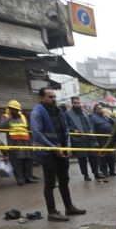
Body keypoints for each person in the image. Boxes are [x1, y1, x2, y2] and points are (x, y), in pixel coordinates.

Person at [30, 87, 86, 221]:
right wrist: (54, 148)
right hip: (48, 153)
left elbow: (66, 129)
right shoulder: (37, 112)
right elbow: (37, 134)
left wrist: (68, 146)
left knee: (64, 180)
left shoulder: (59, 111)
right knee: (50, 183)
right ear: (42, 98)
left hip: (62, 151)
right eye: (50, 97)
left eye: (54, 96)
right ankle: (52, 212)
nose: (53, 99)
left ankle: (69, 207)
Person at [0, 100, 37, 185]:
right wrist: (9, 118)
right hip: (14, 143)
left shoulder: (23, 117)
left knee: (28, 160)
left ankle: (29, 177)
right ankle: (20, 179)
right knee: (17, 162)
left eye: (15, 109)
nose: (14, 111)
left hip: (26, 142)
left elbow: (30, 129)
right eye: (12, 109)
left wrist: (33, 141)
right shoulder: (5, 117)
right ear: (9, 109)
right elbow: (1, 126)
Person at [65, 96, 102, 181]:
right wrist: (73, 130)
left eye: (78, 102)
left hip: (89, 138)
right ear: (72, 103)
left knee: (93, 157)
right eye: (75, 103)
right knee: (82, 158)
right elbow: (66, 127)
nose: (77, 104)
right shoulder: (68, 114)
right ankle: (86, 175)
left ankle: (96, 173)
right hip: (79, 139)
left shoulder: (84, 112)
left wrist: (93, 137)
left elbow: (89, 124)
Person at [89, 104, 116, 178]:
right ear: (95, 110)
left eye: (101, 108)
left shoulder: (105, 116)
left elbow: (114, 123)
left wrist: (109, 116)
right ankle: (104, 171)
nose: (101, 109)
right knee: (103, 157)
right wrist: (95, 141)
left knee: (112, 156)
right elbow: (92, 130)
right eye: (99, 109)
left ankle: (112, 171)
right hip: (100, 140)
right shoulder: (93, 118)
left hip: (109, 139)